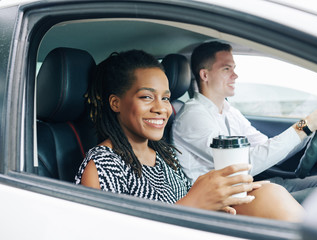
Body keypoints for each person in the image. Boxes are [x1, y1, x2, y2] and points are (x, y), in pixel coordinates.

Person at [75, 49, 303, 221]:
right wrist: (192, 203)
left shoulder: (162, 155)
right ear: (116, 103)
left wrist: (220, 199)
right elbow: (105, 230)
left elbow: (187, 203)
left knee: (268, 192)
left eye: (165, 98)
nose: (161, 108)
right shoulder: (102, 165)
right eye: (146, 97)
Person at [171, 41, 317, 203]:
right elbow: (242, 165)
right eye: (226, 69)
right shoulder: (193, 117)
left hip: (244, 188)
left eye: (234, 68)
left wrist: (311, 130)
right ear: (205, 75)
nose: (235, 75)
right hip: (224, 201)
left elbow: (266, 147)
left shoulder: (229, 111)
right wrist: (305, 125)